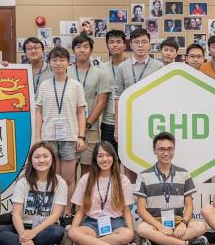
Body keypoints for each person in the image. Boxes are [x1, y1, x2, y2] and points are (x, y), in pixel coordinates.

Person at [134, 132, 209, 245]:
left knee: (201, 227)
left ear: (174, 149)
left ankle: (156, 241)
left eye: (169, 149)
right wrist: (160, 227)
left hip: (178, 220)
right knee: (142, 229)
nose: (166, 153)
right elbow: (141, 209)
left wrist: (184, 223)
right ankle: (187, 244)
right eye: (161, 149)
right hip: (154, 222)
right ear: (154, 150)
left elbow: (189, 205)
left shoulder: (184, 174)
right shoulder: (144, 176)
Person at [0, 142, 67, 245]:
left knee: (58, 232)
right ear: (31, 160)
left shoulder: (60, 183)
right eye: (37, 157)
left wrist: (32, 234)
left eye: (46, 156)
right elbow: (16, 214)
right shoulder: (22, 182)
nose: (41, 160)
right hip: (22, 227)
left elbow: (55, 216)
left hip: (44, 228)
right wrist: (23, 235)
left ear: (52, 159)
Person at [35, 47, 87, 206]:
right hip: (48, 137)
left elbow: (81, 113)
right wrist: (37, 137)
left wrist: (81, 136)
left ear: (68, 63)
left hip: (70, 137)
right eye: (54, 60)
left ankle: (66, 211)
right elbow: (38, 113)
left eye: (62, 60)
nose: (58, 63)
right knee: (52, 177)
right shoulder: (44, 85)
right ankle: (52, 211)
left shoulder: (76, 85)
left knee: (69, 178)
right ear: (49, 63)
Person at [67, 142, 138, 245]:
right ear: (95, 159)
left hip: (115, 224)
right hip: (91, 224)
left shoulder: (122, 180)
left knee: (128, 235)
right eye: (100, 156)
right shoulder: (86, 179)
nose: (104, 159)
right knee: (73, 233)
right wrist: (73, 234)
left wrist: (131, 233)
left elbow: (126, 211)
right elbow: (80, 211)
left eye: (108, 155)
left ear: (114, 158)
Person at [114, 28, 165, 181]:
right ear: (131, 45)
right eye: (136, 42)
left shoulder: (159, 66)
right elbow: (117, 98)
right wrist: (117, 128)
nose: (140, 45)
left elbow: (163, 97)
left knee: (150, 159)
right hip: (129, 122)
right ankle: (132, 201)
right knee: (130, 161)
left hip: (152, 121)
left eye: (144, 42)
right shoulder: (122, 67)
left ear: (149, 44)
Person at [68, 35, 110, 180]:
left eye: (86, 46)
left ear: (91, 50)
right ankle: (70, 202)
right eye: (78, 47)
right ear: (73, 50)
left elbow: (102, 102)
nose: (82, 50)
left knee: (87, 169)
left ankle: (84, 201)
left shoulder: (100, 74)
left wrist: (86, 125)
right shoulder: (65, 72)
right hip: (69, 128)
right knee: (69, 168)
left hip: (90, 129)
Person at [101, 30, 126, 154]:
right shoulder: (101, 68)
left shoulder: (130, 66)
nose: (115, 45)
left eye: (118, 42)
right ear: (107, 46)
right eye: (111, 42)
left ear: (125, 45)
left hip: (129, 120)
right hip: (108, 122)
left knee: (129, 160)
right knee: (108, 160)